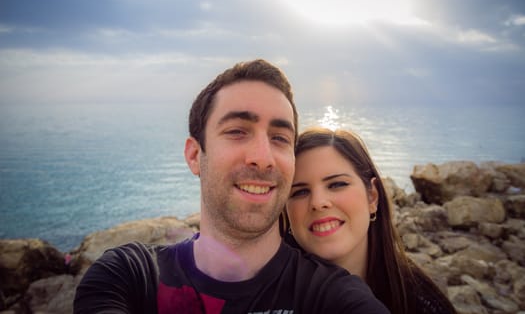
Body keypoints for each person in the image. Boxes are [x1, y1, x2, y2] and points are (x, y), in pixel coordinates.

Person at [74, 60, 389, 313]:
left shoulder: (332, 295)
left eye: (280, 138)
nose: (263, 158)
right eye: (238, 131)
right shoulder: (131, 276)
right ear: (195, 155)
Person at [284, 127, 457, 314]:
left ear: (372, 196)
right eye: (300, 191)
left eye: (337, 184)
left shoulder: (422, 300)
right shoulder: (263, 295)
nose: (318, 202)